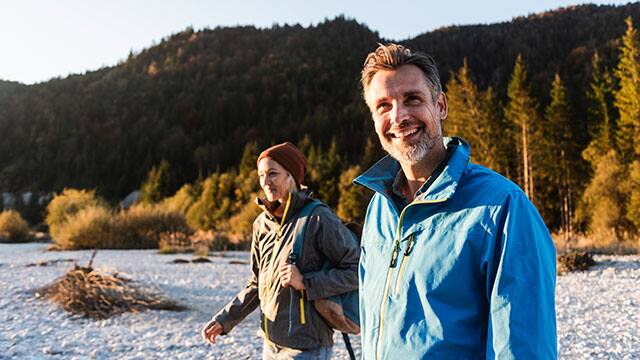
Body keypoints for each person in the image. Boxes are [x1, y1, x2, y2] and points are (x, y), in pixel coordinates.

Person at [353, 43, 557, 359]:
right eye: (383, 105)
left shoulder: (503, 207)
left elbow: (523, 348)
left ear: (441, 105)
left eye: (412, 99)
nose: (399, 116)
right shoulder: (378, 210)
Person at [201, 141, 360, 359]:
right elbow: (257, 283)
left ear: (291, 176)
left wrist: (306, 283)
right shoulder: (261, 224)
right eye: (260, 175)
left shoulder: (318, 217)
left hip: (307, 347)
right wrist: (225, 319)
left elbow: (358, 271)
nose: (265, 182)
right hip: (270, 344)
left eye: (272, 174)